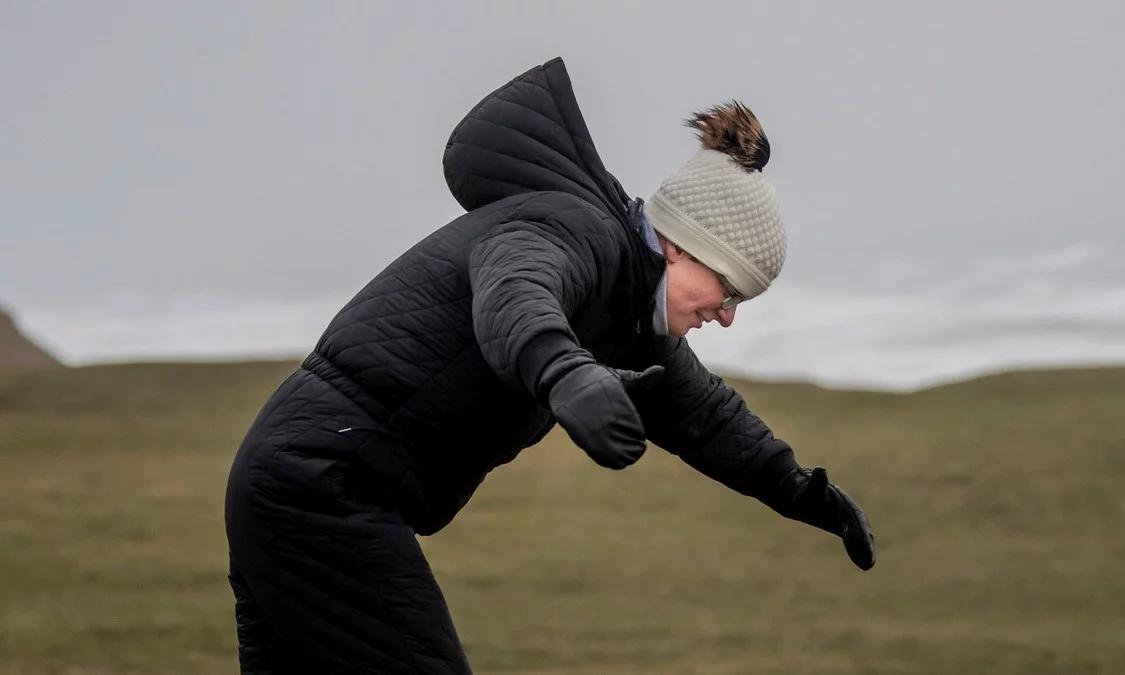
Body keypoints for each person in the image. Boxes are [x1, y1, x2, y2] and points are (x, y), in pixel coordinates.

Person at [224, 56, 875, 674]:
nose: (728, 314)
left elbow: (702, 414)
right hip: (321, 486)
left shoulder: (628, 311)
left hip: (301, 483)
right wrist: (566, 372)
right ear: (681, 247)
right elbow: (514, 297)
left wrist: (799, 490)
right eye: (729, 289)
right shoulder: (574, 230)